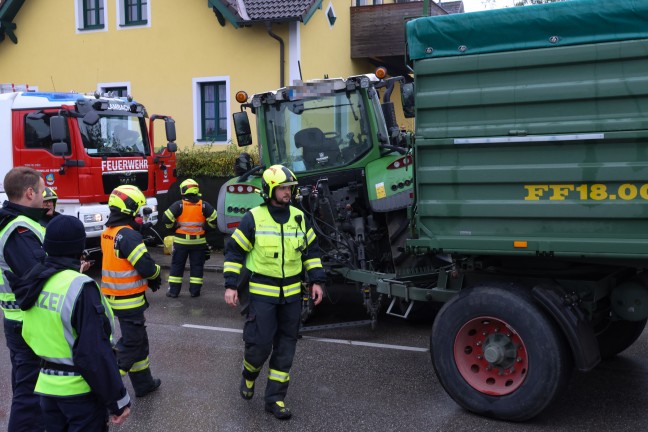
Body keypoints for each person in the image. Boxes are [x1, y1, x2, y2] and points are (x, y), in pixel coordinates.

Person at [8, 215, 131, 430]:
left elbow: (29, 333)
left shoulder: (36, 281)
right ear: (80, 246)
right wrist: (118, 400)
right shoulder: (81, 286)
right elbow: (94, 352)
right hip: (80, 393)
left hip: (47, 388)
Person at [223, 165, 326, 420]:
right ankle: (249, 375)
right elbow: (234, 251)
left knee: (285, 348)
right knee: (259, 346)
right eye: (282, 188)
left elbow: (311, 252)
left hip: (291, 296)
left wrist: (316, 280)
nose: (287, 193)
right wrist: (230, 285)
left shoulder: (299, 217)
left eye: (289, 188)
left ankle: (275, 399)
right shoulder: (254, 218)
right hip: (262, 295)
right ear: (269, 189)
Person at [101, 185, 162, 398]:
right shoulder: (128, 236)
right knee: (133, 343)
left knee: (139, 341)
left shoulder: (109, 232)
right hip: (128, 300)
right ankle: (106, 384)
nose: (139, 215)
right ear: (128, 210)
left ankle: (144, 384)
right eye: (136, 210)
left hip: (113, 296)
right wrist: (156, 275)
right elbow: (145, 266)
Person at [0, 166, 46, 431]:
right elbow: (34, 275)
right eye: (41, 191)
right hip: (26, 320)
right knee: (29, 395)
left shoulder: (11, 220)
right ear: (30, 192)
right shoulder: (18, 228)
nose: (43, 196)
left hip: (16, 318)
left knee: (24, 385)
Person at [162, 178, 217, 298]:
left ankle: (173, 292)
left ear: (183, 191)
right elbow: (214, 218)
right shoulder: (203, 205)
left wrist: (173, 227)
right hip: (199, 242)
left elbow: (166, 218)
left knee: (177, 266)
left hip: (181, 242)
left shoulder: (179, 205)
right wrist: (206, 228)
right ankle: (194, 292)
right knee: (197, 266)